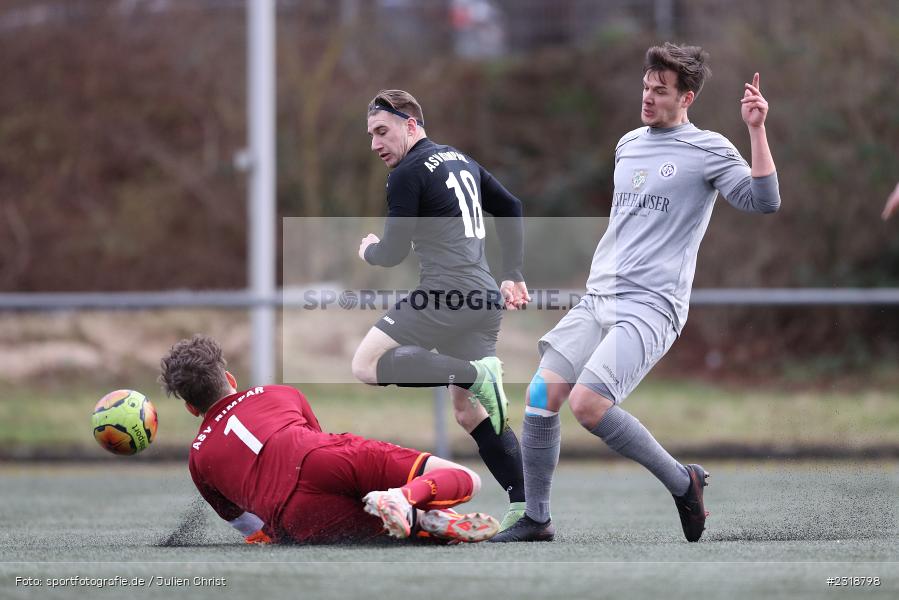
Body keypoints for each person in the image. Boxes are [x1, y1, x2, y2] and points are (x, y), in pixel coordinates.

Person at [493, 43, 781, 543]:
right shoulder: (628, 143)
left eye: (661, 91)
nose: (647, 98)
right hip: (598, 297)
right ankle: (537, 519)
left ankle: (682, 481)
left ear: (686, 97)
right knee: (540, 396)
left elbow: (765, 200)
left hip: (652, 306)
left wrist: (755, 130)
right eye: (645, 86)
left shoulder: (709, 148)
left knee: (588, 405)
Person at [352, 90, 531, 531]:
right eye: (371, 135)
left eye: (382, 131)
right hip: (484, 298)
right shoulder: (459, 158)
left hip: (447, 294)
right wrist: (512, 273)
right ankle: (528, 509)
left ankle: (477, 373)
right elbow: (511, 206)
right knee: (470, 412)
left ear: (411, 125)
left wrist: (370, 251)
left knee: (365, 365)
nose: (375, 144)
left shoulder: (408, 172)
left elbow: (392, 252)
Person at [159, 334, 500, 545]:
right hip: (318, 456)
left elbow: (252, 529)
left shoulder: (198, 458)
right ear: (229, 377)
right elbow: (318, 447)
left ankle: (422, 522)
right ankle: (406, 497)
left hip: (293, 516)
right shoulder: (280, 393)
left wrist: (276, 531)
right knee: (466, 479)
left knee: (397, 534)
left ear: (191, 408)